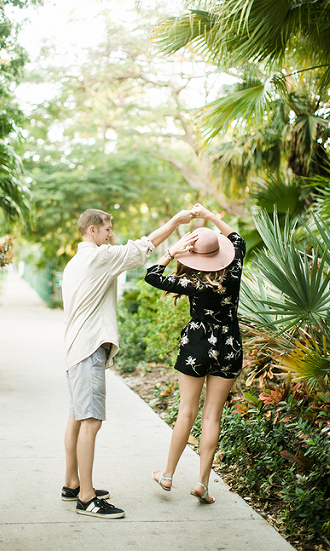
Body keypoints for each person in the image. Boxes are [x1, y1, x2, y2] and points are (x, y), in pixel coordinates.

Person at [61, 207, 193, 519]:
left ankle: (72, 483)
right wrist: (175, 221)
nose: (111, 234)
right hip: (88, 349)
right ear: (92, 231)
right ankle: (87, 498)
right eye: (107, 228)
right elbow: (143, 247)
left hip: (74, 350)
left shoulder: (76, 262)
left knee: (77, 418)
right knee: (91, 421)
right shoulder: (97, 257)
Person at [146, 203, 246, 504]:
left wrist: (172, 251)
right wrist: (211, 216)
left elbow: (152, 275)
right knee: (212, 415)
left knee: (186, 412)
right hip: (229, 345)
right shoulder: (235, 270)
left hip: (197, 345)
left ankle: (167, 475)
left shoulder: (193, 282)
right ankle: (202, 483)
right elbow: (238, 240)